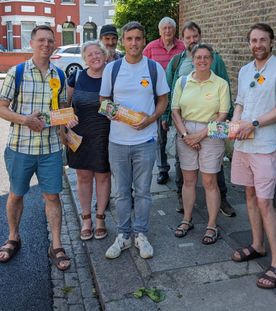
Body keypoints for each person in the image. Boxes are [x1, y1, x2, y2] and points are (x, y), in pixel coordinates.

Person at [230, 23, 276, 289]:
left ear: (271, 42)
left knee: (265, 202)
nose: (257, 45)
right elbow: (240, 103)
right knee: (248, 195)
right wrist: (235, 124)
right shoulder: (246, 70)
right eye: (253, 40)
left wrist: (253, 124)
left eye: (262, 40)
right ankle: (257, 245)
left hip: (266, 145)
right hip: (243, 145)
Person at [0, 25, 72, 271]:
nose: (46, 44)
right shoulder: (16, 72)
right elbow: (1, 107)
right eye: (41, 40)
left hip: (51, 149)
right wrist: (25, 120)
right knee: (17, 194)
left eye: (50, 41)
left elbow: (61, 108)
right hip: (20, 147)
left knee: (52, 197)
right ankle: (13, 237)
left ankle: (57, 244)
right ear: (31, 43)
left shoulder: (59, 75)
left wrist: (67, 124)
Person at [100, 21, 169, 259]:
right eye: (129, 39)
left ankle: (141, 234)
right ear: (123, 41)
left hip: (145, 141)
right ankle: (123, 235)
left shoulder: (153, 68)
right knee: (121, 192)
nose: (134, 43)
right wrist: (120, 115)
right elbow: (104, 101)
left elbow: (163, 99)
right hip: (117, 141)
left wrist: (150, 119)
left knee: (143, 192)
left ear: (143, 40)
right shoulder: (112, 69)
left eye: (138, 38)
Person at [163, 21, 236, 217]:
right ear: (183, 39)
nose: (192, 40)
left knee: (214, 171)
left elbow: (224, 88)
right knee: (183, 168)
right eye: (188, 37)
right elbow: (169, 91)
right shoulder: (177, 62)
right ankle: (183, 199)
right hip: (184, 125)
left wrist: (222, 123)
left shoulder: (216, 60)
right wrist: (174, 123)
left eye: (195, 36)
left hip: (211, 125)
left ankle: (223, 199)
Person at [172, 44, 230, 243]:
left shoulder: (221, 84)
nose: (202, 61)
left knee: (209, 182)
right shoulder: (181, 82)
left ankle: (212, 225)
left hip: (212, 132)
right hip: (185, 131)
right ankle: (187, 219)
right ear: (192, 59)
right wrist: (187, 135)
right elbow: (175, 111)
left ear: (212, 60)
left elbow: (223, 115)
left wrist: (200, 136)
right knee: (188, 181)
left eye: (206, 57)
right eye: (199, 57)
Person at [64, 41, 111, 241]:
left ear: (105, 54)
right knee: (83, 177)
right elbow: (65, 104)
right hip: (79, 136)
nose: (94, 57)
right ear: (85, 59)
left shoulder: (112, 76)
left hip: (104, 136)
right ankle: (86, 219)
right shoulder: (76, 76)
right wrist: (67, 118)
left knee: (103, 177)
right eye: (89, 54)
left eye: (97, 53)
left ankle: (100, 218)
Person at [143, 17, 185, 185]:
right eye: (164, 28)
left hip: (179, 98)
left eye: (170, 28)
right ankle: (162, 169)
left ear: (174, 30)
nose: (167, 31)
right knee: (160, 136)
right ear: (160, 31)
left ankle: (180, 168)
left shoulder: (182, 47)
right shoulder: (151, 48)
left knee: (179, 134)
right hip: (158, 98)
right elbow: (142, 68)